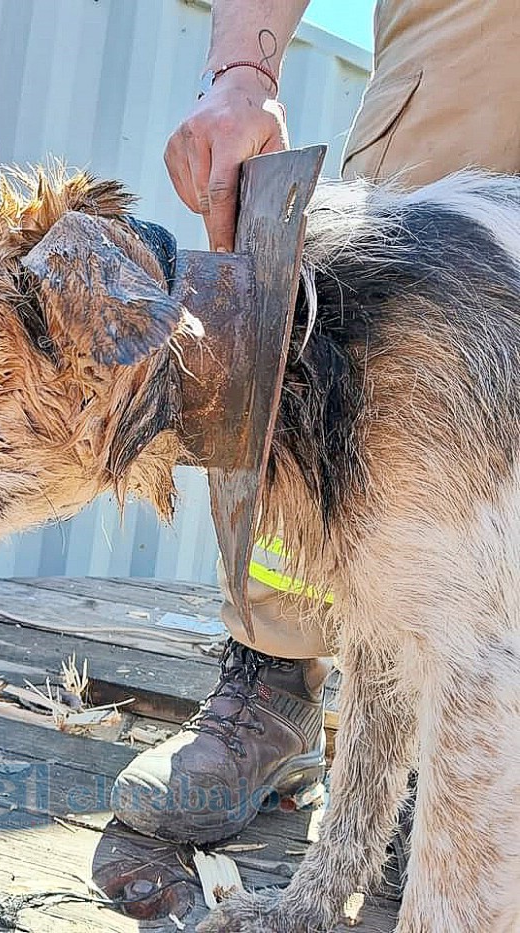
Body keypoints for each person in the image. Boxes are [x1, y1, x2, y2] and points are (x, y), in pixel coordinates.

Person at [111, 0, 520, 844]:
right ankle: (276, 672)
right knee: (346, 357)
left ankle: (473, 743)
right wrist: (241, 73)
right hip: (468, 50)